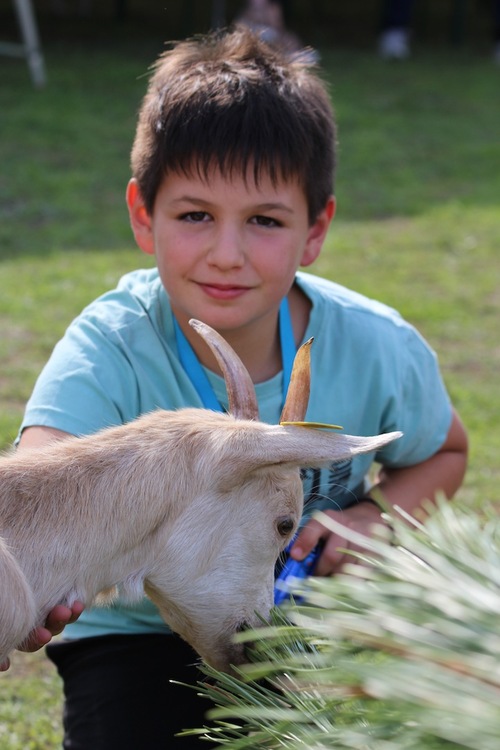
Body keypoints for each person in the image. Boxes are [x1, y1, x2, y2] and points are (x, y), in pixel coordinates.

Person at [6, 25, 468, 748]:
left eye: (263, 221)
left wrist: (369, 520)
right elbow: (47, 471)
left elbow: (443, 453)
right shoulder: (110, 345)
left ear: (315, 230)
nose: (227, 255)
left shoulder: (377, 346)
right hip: (129, 636)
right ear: (141, 216)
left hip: (297, 619)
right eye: (195, 216)